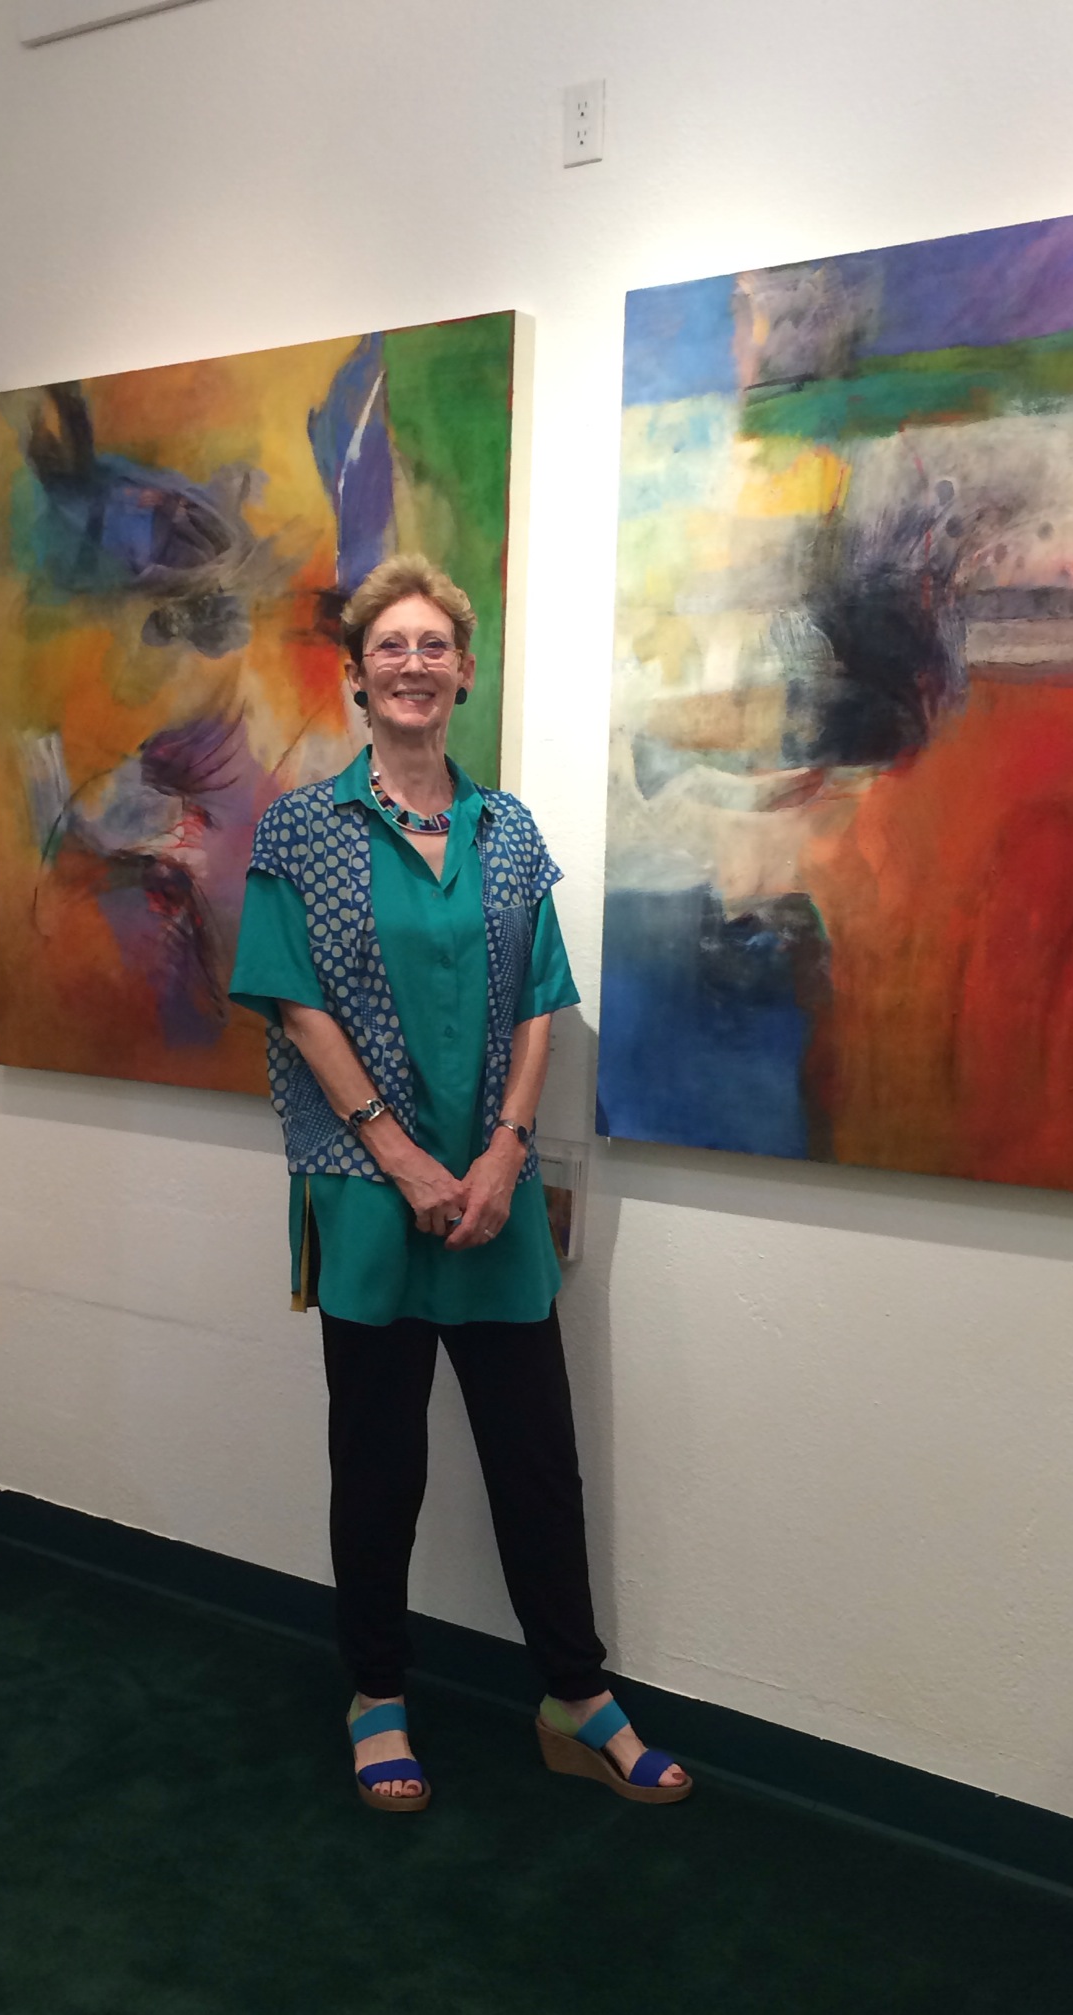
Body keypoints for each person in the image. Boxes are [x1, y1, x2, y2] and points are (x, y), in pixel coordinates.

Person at [229, 554, 690, 1811]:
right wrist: (402, 1155)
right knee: (379, 1464)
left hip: (494, 1195)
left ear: (465, 673)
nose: (414, 664)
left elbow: (542, 999)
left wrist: (504, 1151)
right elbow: (295, 1002)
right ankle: (376, 1692)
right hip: (368, 1193)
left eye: (435, 645)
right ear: (357, 674)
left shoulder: (509, 831)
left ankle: (576, 1693)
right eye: (392, 645)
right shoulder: (301, 829)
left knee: (536, 1458)